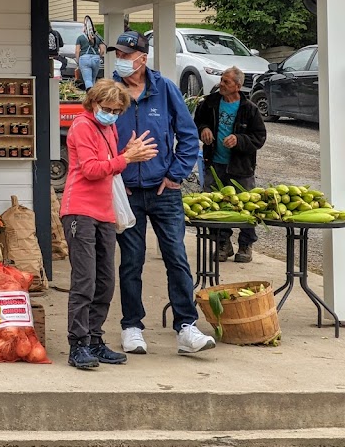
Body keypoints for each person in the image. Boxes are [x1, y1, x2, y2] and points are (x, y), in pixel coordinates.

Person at [109, 30, 216, 355]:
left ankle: (186, 327)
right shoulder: (111, 91)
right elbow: (96, 135)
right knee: (131, 262)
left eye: (127, 55)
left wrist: (175, 176)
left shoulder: (166, 89)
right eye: (119, 55)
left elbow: (187, 135)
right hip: (127, 191)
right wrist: (117, 170)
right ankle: (131, 327)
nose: (122, 61)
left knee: (177, 258)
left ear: (143, 57)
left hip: (164, 192)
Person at [61, 80, 158, 370]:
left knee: (105, 281)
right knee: (85, 281)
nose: (112, 114)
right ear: (93, 103)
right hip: (80, 210)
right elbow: (91, 170)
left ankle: (94, 338)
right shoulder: (82, 126)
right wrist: (126, 158)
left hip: (104, 211)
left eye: (116, 111)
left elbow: (108, 162)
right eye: (107, 109)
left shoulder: (108, 127)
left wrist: (123, 153)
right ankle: (77, 344)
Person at [193, 66, 267, 263]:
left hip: (241, 168)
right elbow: (197, 122)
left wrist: (239, 140)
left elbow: (259, 138)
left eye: (226, 82)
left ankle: (246, 244)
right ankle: (222, 243)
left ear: (238, 86)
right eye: (222, 80)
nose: (221, 85)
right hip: (214, 164)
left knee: (246, 207)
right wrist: (204, 129)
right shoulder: (210, 103)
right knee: (215, 206)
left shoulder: (249, 109)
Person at [74, 17, 105, 89]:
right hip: (95, 58)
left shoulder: (80, 38)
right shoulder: (98, 37)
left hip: (84, 58)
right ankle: (93, 95)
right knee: (93, 79)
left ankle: (90, 94)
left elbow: (77, 51)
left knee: (87, 80)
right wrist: (98, 56)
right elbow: (102, 50)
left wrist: (78, 61)